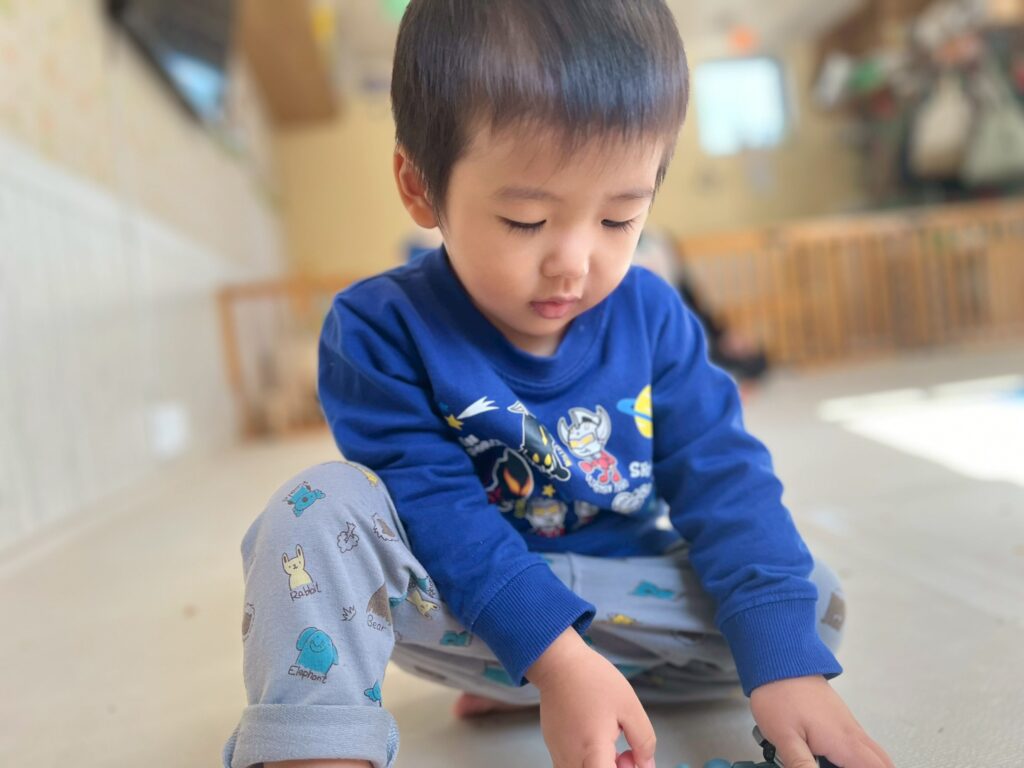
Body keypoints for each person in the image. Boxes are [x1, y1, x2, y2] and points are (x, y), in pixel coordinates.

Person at [222, 2, 894, 767]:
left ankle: (572, 685)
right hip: (464, 598)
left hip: (623, 598)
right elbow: (436, 512)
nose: (573, 263)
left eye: (619, 219)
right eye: (525, 221)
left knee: (808, 601)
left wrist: (789, 674)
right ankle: (325, 751)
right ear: (419, 185)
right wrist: (554, 657)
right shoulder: (379, 328)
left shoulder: (654, 317)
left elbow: (725, 481)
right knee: (314, 510)